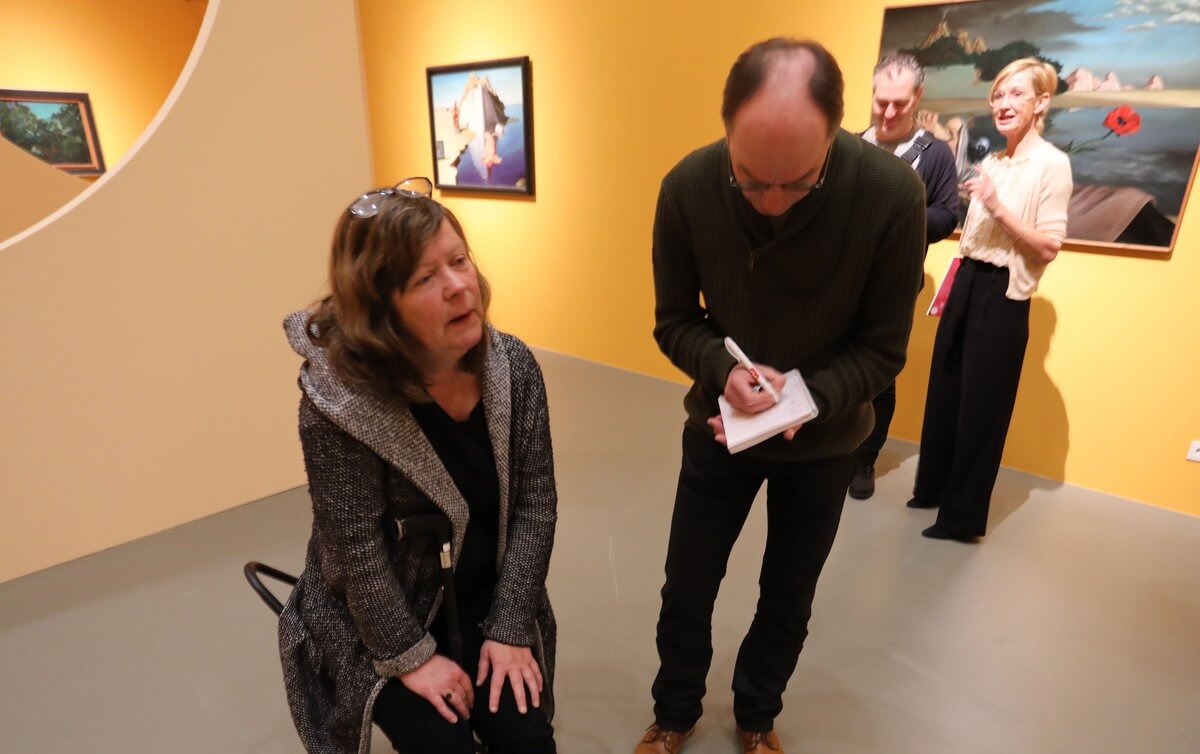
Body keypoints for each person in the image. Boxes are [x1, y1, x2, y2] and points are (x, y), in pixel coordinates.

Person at [637, 39, 926, 754]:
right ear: (726, 125)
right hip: (719, 428)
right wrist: (717, 368)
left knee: (789, 596)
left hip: (824, 443)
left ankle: (757, 716)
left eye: (797, 183)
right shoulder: (687, 187)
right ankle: (674, 712)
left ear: (836, 131)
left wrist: (813, 396)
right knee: (688, 584)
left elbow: (884, 348)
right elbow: (674, 320)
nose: (770, 205)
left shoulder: (892, 196)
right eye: (750, 179)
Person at [277, 177, 558, 753]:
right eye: (426, 279)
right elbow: (355, 550)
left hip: (485, 590)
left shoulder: (513, 370)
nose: (460, 287)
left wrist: (507, 630)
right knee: (443, 744)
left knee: (524, 736)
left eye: (459, 261)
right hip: (384, 610)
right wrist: (411, 657)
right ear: (382, 312)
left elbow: (535, 505)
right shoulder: (339, 403)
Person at [908, 58, 1072, 541]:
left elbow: (1048, 246)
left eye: (1016, 94)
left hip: (1003, 295)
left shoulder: (1052, 165)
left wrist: (998, 206)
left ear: (1041, 102)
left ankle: (961, 520)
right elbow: (972, 238)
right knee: (946, 391)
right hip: (967, 283)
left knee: (982, 408)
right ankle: (932, 491)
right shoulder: (995, 162)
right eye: (998, 95)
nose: (1002, 104)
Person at [848, 53, 959, 500]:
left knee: (878, 375)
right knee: (825, 363)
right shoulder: (848, 146)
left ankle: (864, 460)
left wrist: (894, 214)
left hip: (892, 288)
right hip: (837, 284)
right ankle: (823, 449)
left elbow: (948, 215)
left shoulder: (935, 155)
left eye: (899, 103)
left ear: (917, 98)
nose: (889, 112)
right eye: (881, 102)